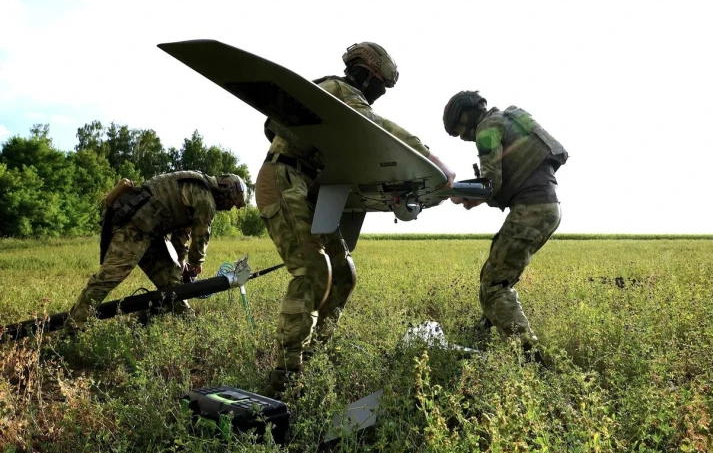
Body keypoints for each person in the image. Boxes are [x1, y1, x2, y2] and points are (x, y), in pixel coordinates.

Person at [256, 42, 456, 396]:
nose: (379, 93)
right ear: (366, 74)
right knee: (313, 270)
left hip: (308, 185)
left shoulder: (333, 95)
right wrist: (432, 160)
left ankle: (317, 353)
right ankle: (286, 374)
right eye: (379, 84)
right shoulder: (338, 90)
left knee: (343, 273)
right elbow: (378, 128)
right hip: (284, 179)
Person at [442, 90, 568, 353]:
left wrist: (455, 191)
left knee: (494, 285)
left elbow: (491, 182)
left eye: (460, 127)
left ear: (469, 112)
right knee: (496, 270)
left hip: (531, 209)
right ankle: (482, 333)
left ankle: (531, 357)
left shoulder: (487, 128)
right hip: (547, 206)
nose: (463, 136)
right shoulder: (509, 119)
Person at [67, 171, 247, 330]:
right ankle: (73, 327)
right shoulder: (205, 198)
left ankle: (183, 323)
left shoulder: (196, 185)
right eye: (231, 203)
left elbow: (182, 234)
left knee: (172, 281)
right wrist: (195, 264)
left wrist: (182, 263)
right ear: (226, 191)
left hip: (149, 232)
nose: (229, 208)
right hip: (134, 229)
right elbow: (201, 236)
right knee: (107, 279)